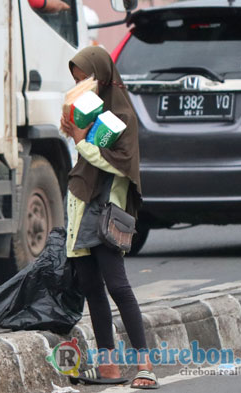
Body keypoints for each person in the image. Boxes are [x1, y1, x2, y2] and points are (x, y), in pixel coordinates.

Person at [60, 47, 159, 389]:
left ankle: (145, 365)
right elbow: (86, 160)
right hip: (80, 205)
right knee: (92, 289)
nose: (82, 85)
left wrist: (80, 140)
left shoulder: (122, 117)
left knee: (117, 286)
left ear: (101, 77)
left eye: (86, 78)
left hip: (106, 213)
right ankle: (109, 368)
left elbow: (114, 162)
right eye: (76, 80)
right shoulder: (92, 112)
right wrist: (73, 129)